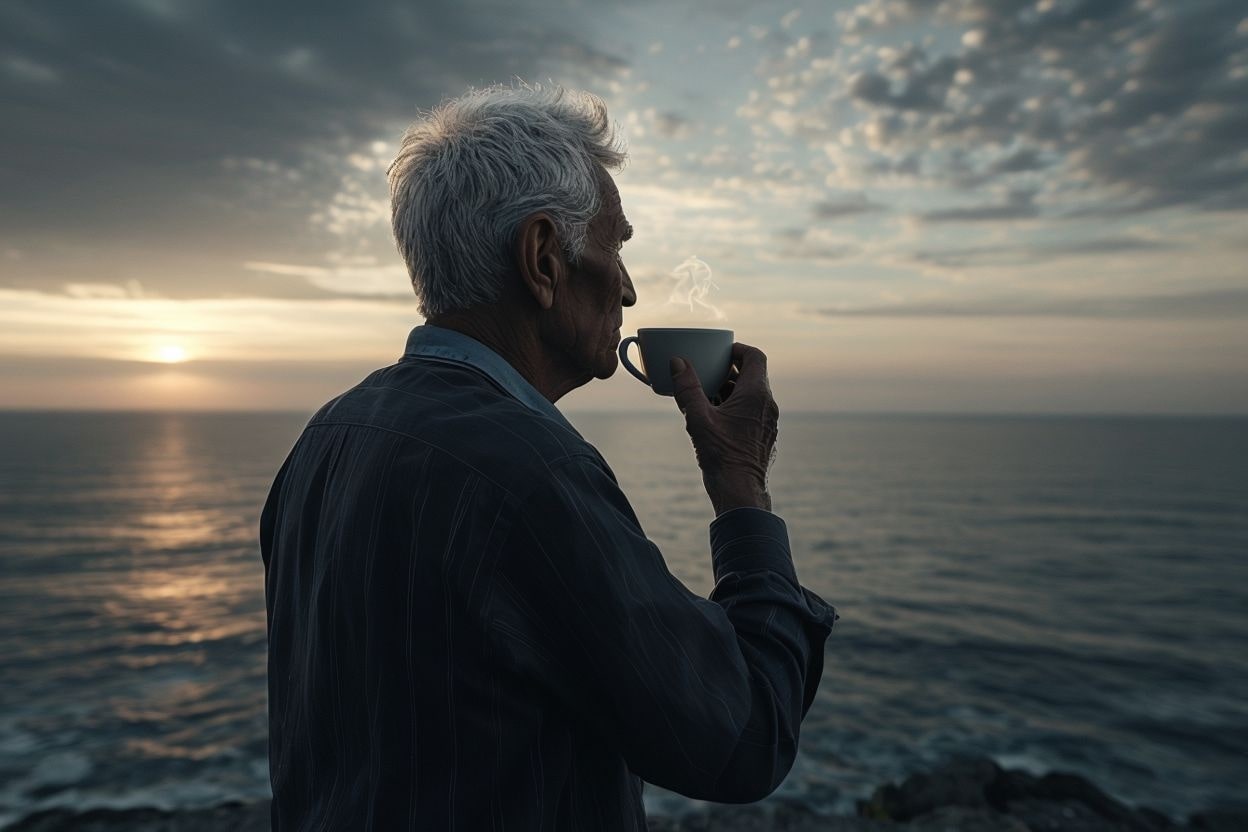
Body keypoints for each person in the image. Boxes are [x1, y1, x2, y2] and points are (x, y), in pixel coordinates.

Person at [259, 83, 837, 831]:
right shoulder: (530, 474)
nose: (627, 288)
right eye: (616, 246)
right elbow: (742, 737)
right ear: (542, 258)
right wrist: (742, 489)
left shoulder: (327, 440)